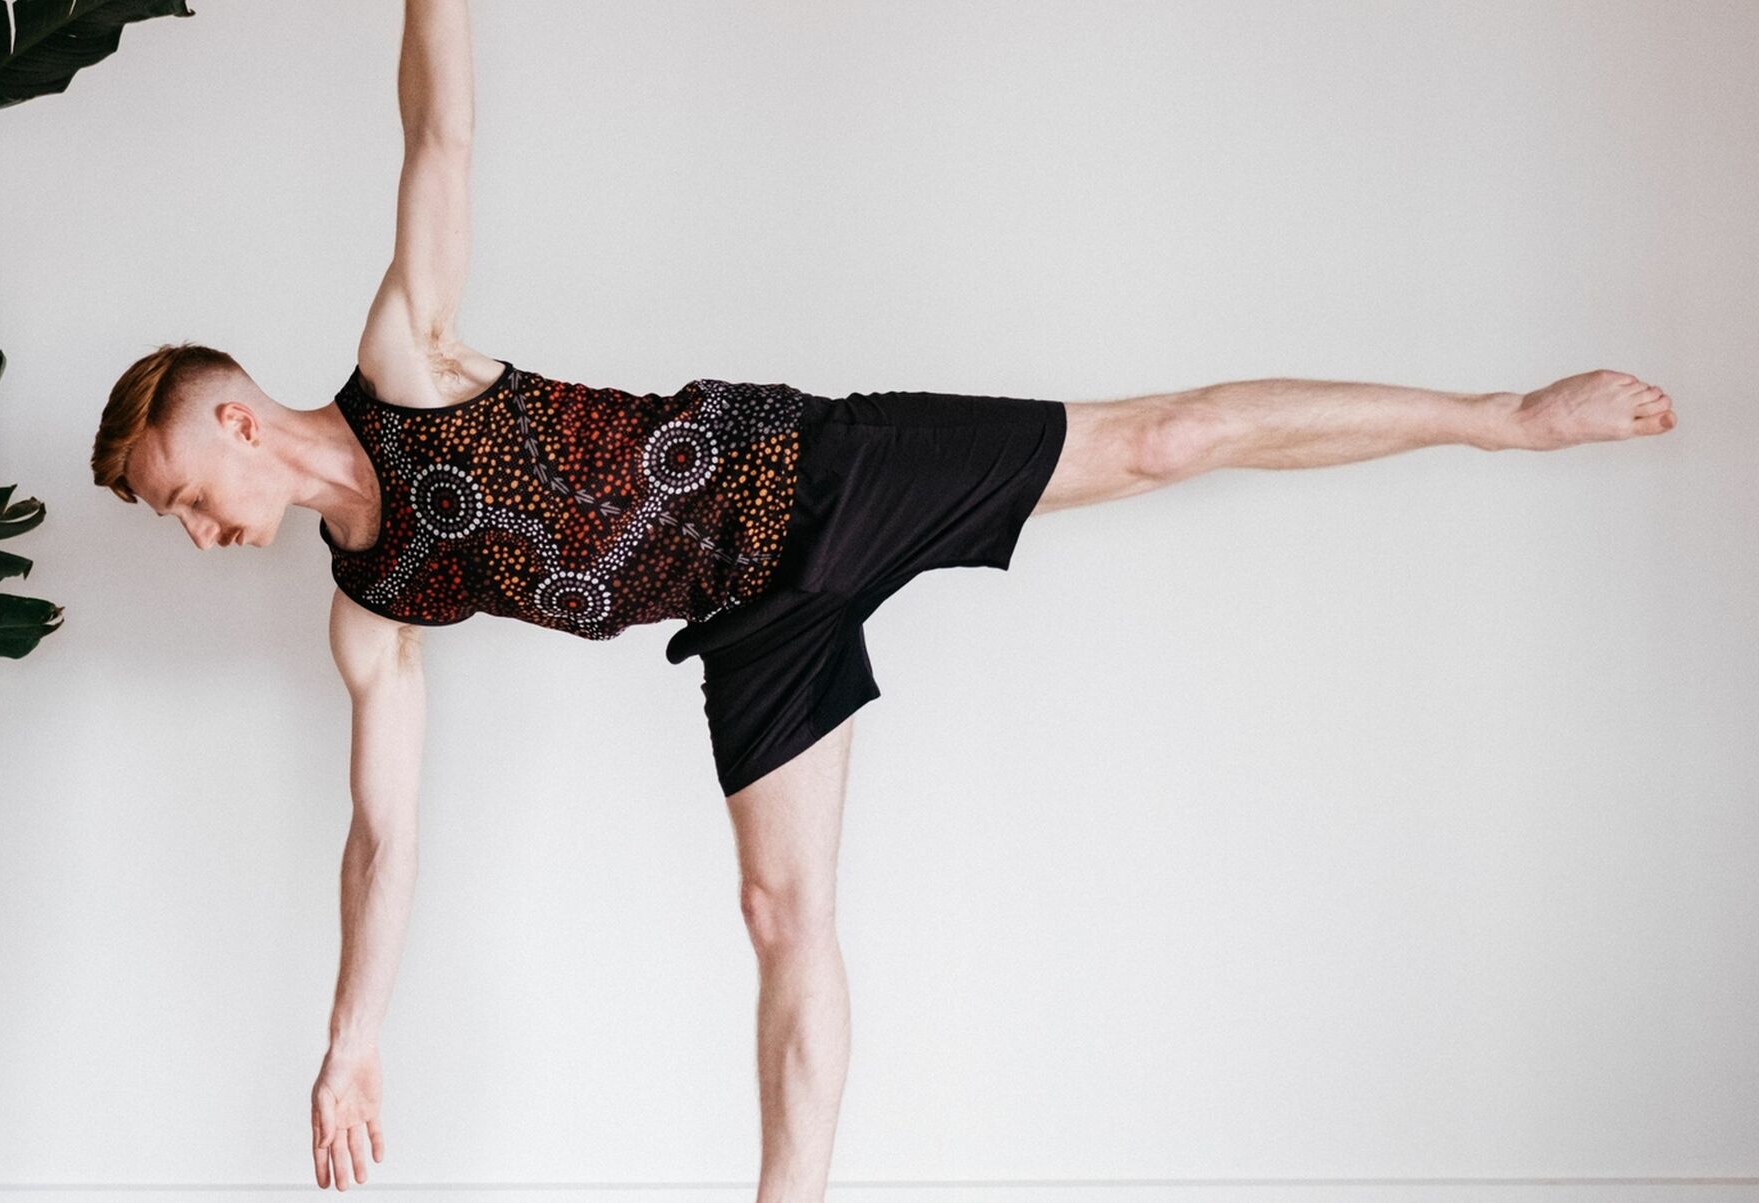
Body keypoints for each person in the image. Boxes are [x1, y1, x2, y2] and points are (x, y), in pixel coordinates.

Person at [86, 2, 1680, 1197]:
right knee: (782, 915)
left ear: (229, 421)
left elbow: (438, 134)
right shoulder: (374, 604)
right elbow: (383, 838)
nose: (196, 532)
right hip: (752, 622)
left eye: (178, 500)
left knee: (1166, 437)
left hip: (814, 477)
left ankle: (1504, 417)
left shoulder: (404, 365)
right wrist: (355, 1033)